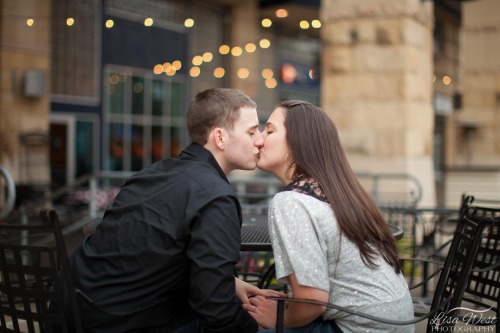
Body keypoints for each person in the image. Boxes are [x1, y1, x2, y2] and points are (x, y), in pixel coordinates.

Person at [62, 88, 278, 333]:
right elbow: (215, 308)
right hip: (128, 324)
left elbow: (151, 253)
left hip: (76, 312)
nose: (260, 139)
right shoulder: (216, 197)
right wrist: (255, 329)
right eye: (252, 132)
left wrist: (229, 282)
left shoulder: (150, 174)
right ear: (220, 138)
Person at [243, 100, 414, 332]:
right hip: (396, 324)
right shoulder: (338, 191)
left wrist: (279, 319)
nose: (260, 139)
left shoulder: (291, 201)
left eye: (270, 130)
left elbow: (313, 301)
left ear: (297, 142)